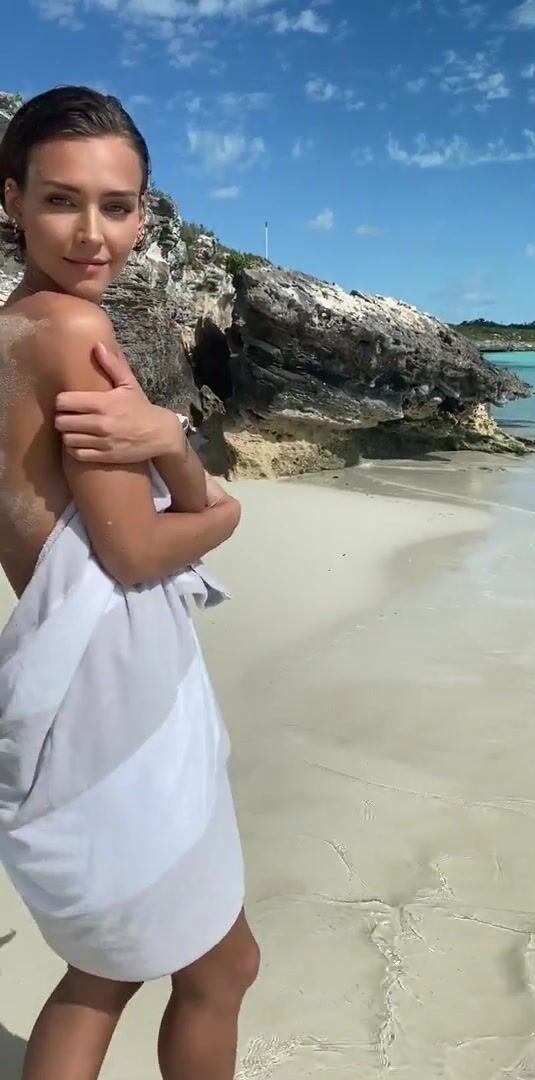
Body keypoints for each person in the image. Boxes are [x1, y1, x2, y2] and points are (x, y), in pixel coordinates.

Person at [0, 86, 259, 1080]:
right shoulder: (72, 333)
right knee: (209, 969)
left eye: (117, 205)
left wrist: (171, 440)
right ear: (12, 199)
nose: (93, 233)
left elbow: (139, 508)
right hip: (115, 693)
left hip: (77, 678)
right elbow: (138, 552)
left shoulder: (18, 326)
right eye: (62, 200)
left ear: (144, 211)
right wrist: (223, 513)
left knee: (108, 971)